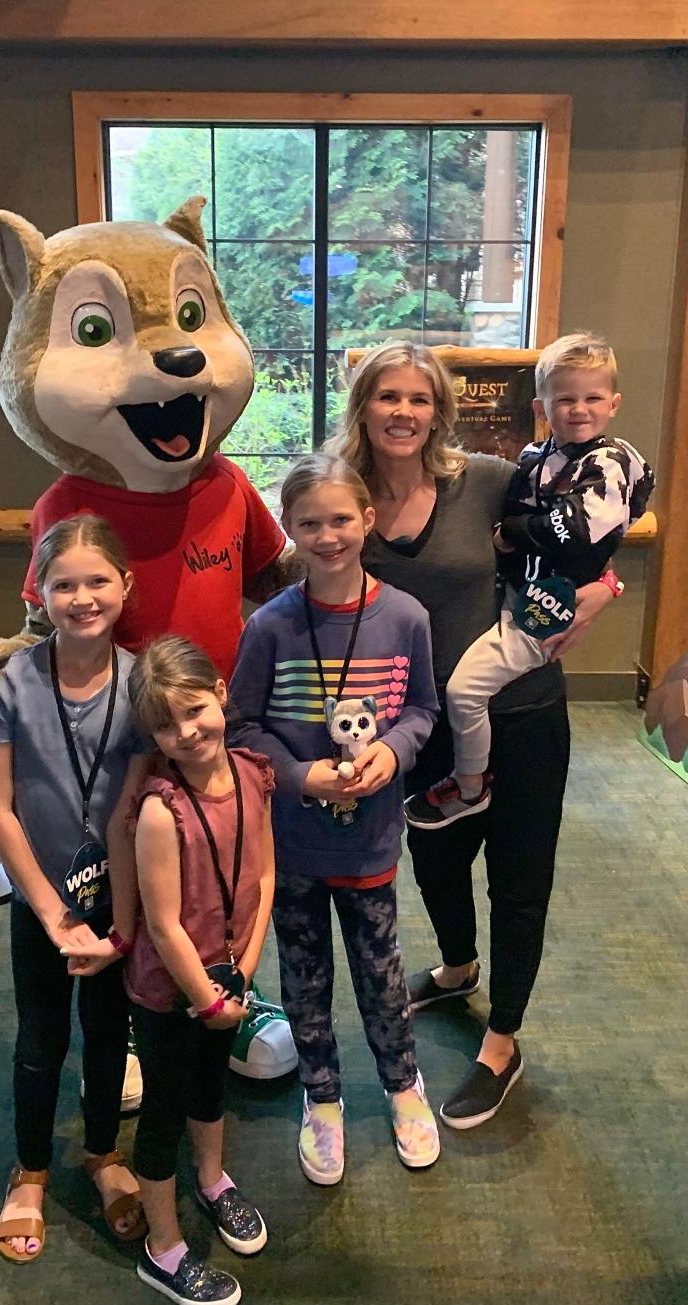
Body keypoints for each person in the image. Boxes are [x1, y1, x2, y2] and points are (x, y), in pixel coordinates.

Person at [326, 340, 616, 1131]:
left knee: (519, 876)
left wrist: (594, 600)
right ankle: (457, 969)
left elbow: (591, 542)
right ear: (364, 406)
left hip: (519, 711)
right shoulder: (345, 497)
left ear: (438, 412)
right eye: (388, 397)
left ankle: (502, 1039)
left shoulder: (486, 483)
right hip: (415, 724)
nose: (404, 413)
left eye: (419, 400)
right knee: (436, 860)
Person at [230, 452, 441, 1185]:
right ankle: (322, 1097)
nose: (328, 536)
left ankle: (402, 1086)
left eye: (341, 519)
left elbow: (423, 710)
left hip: (373, 839)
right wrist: (294, 775)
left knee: (381, 972)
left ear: (368, 520)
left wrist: (394, 752)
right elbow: (242, 725)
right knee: (306, 975)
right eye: (310, 523)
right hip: (291, 841)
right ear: (288, 528)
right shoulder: (269, 627)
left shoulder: (405, 617)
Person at [68, 635, 275, 1305]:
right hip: (170, 995)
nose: (186, 732)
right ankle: (163, 1252)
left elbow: (265, 875)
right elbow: (163, 925)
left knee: (211, 1087)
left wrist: (241, 973)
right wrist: (209, 1001)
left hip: (226, 982)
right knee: (162, 1111)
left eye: (194, 710)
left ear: (220, 694)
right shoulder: (160, 810)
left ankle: (212, 1179)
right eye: (165, 724)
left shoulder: (251, 774)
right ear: (151, 733)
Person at [0, 514, 145, 1263]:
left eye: (97, 581)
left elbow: (140, 810)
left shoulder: (142, 682)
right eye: (64, 584)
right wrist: (48, 909)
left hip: (117, 902)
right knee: (41, 1035)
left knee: (110, 1034)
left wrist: (124, 924)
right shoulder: (13, 680)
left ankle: (104, 1155)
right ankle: (31, 1169)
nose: (82, 597)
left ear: (126, 586)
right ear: (39, 593)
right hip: (38, 902)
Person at [405, 332, 655, 828]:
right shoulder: (535, 457)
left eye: (592, 398)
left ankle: (471, 784)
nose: (579, 410)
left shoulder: (609, 461)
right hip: (516, 594)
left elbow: (578, 532)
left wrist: (520, 534)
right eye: (565, 399)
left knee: (465, 692)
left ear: (614, 403)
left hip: (543, 606)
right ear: (543, 405)